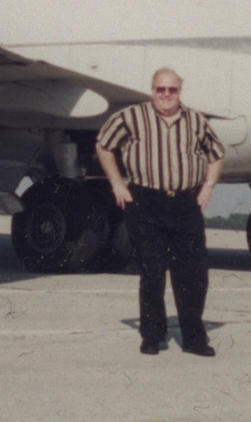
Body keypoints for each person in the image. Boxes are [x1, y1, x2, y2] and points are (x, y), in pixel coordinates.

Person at [95, 67, 225, 357]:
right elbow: (104, 146)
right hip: (146, 202)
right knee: (152, 272)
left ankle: (193, 339)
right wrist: (117, 183)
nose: (166, 95)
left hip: (185, 204)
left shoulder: (195, 120)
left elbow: (216, 154)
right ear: (152, 90)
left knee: (191, 274)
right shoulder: (131, 117)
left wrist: (208, 186)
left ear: (180, 91)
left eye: (172, 90)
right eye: (160, 89)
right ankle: (153, 336)